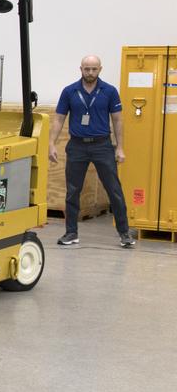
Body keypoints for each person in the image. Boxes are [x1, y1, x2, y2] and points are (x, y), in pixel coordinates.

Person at [49, 55, 134, 248]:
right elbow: (59, 118)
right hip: (77, 146)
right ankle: (71, 233)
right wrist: (52, 144)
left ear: (100, 69)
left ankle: (124, 233)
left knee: (114, 190)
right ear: (80, 69)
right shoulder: (70, 91)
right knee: (72, 191)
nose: (90, 73)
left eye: (94, 69)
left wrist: (120, 147)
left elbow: (118, 120)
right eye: (86, 69)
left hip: (102, 145)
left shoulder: (110, 91)